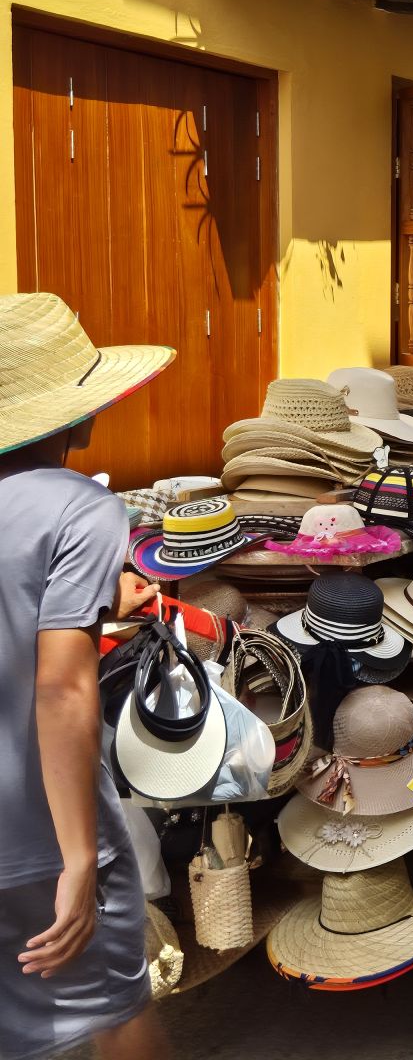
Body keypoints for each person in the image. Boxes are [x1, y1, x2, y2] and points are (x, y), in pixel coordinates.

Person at [0, 292, 173, 1060]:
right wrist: (79, 858)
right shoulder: (81, 510)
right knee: (115, 1006)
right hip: (43, 827)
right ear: (70, 415)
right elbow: (61, 687)